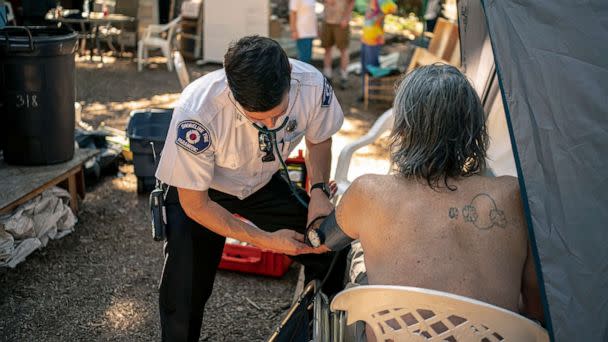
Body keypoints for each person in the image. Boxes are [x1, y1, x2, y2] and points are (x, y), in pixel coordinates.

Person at [154, 35, 348, 341]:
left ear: (289, 78)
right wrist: (266, 240)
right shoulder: (197, 110)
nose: (271, 126)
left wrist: (319, 192)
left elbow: (319, 138)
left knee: (329, 247)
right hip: (201, 189)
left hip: (260, 181)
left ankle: (313, 326)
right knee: (185, 288)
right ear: (232, 93)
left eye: (278, 115)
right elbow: (195, 205)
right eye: (259, 119)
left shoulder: (312, 86)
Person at [321, 65, 545, 324]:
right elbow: (536, 307)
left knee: (358, 258)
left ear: (403, 128)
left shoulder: (368, 192)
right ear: (473, 128)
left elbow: (325, 240)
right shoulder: (513, 194)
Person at [360, 0, 397, 97]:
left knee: (372, 67)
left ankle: (372, 93)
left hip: (374, 39)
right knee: (365, 66)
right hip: (366, 38)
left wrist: (380, 16)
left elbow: (393, 8)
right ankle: (366, 92)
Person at [320, 0, 355, 89]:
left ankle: (344, 77)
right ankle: (327, 75)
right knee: (327, 49)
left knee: (343, 50)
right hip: (327, 20)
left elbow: (351, 2)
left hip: (341, 22)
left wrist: (346, 17)